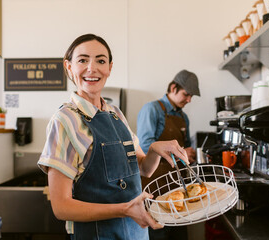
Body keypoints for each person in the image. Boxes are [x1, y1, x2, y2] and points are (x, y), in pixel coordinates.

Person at [37, 34, 190, 240]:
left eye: (100, 60)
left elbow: (144, 169)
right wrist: (125, 209)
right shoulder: (65, 120)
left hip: (136, 232)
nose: (92, 68)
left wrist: (153, 149)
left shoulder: (115, 114)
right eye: (82, 60)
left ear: (109, 68)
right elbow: (61, 206)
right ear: (69, 67)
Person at [137, 69, 200, 240]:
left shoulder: (184, 117)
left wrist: (190, 155)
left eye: (191, 97)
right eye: (187, 94)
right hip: (156, 186)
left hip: (178, 187)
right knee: (158, 233)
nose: (189, 100)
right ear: (173, 88)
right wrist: (178, 152)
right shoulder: (152, 109)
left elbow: (186, 147)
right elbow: (144, 147)